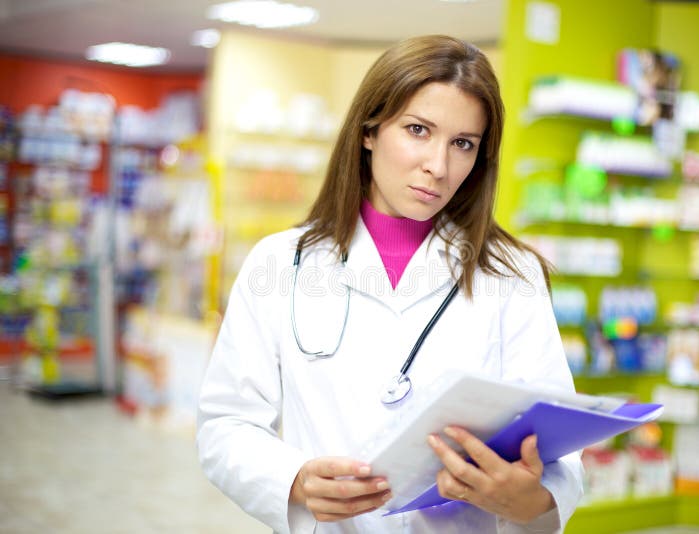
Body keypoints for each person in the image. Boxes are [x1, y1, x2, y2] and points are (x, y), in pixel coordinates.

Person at [196, 34, 583, 534]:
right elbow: (227, 423)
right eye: (418, 130)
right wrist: (292, 480)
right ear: (369, 130)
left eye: (462, 143)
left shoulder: (511, 274)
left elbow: (556, 447)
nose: (438, 167)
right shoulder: (280, 264)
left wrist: (532, 501)